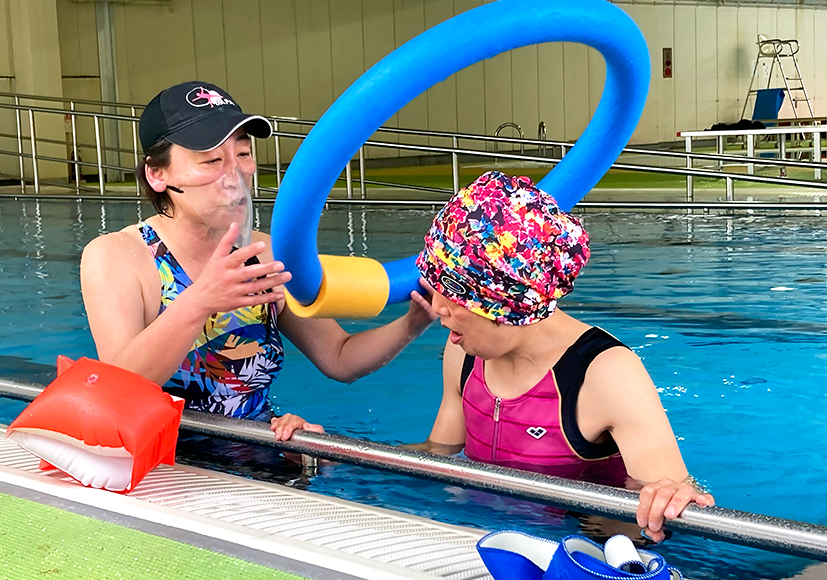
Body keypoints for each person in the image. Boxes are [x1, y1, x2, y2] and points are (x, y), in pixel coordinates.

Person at [80, 81, 436, 446]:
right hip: (166, 464)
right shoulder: (118, 256)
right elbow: (117, 390)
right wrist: (200, 300)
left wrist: (412, 323)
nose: (233, 176)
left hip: (259, 455)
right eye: (211, 161)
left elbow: (339, 358)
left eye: (243, 155)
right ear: (158, 175)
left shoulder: (263, 251)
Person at [407, 171, 713, 543]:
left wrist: (673, 494)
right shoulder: (464, 354)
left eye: (455, 292)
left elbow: (670, 497)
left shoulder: (605, 374)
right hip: (484, 534)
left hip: (584, 548)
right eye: (435, 284)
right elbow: (438, 453)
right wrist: (335, 457)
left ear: (510, 303)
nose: (437, 307)